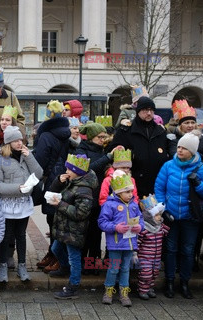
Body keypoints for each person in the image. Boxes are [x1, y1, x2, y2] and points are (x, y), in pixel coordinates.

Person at [155, 132, 203, 299]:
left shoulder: (202, 168)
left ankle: (185, 283)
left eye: (184, 148)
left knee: (188, 251)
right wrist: (163, 209)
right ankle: (170, 281)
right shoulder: (168, 166)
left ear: (193, 151)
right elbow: (159, 188)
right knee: (171, 249)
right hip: (171, 216)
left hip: (191, 217)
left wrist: (198, 183)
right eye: (179, 146)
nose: (179, 150)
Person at [0, 126, 43, 282]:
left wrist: (29, 157)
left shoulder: (26, 156)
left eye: (21, 140)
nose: (20, 143)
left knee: (21, 236)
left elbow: (38, 174)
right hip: (7, 204)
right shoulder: (0, 160)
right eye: (16, 140)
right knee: (6, 237)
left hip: (23, 204)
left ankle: (22, 266)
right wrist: (17, 188)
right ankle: (3, 266)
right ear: (9, 142)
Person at [46, 154, 98, 299]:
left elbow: (81, 213)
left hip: (75, 230)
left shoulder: (84, 189)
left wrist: (60, 204)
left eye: (69, 169)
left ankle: (73, 286)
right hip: (64, 227)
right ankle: (64, 267)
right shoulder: (72, 181)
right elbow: (53, 190)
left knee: (74, 257)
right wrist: (58, 181)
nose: (66, 171)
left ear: (78, 171)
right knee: (56, 248)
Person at [76, 123, 123, 273]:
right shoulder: (81, 150)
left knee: (96, 235)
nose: (102, 140)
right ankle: (82, 264)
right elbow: (87, 169)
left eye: (104, 137)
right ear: (91, 137)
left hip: (99, 199)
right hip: (86, 198)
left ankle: (93, 264)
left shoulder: (102, 150)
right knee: (85, 234)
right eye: (99, 137)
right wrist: (108, 157)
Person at [33, 101, 70, 272]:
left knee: (52, 219)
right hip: (66, 178)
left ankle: (56, 257)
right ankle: (52, 253)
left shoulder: (45, 135)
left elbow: (40, 162)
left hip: (52, 181)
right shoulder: (67, 134)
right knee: (61, 219)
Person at [98, 170, 144, 307]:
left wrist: (140, 227)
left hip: (130, 244)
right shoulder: (109, 204)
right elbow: (102, 222)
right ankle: (108, 292)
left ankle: (124, 293)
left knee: (125, 269)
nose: (131, 194)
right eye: (127, 192)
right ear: (118, 192)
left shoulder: (134, 205)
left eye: (131, 191)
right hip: (116, 244)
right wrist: (115, 227)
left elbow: (141, 220)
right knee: (113, 268)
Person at [109, 96, 170, 198]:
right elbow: (113, 151)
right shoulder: (126, 131)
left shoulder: (160, 131)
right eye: (145, 110)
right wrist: (132, 155)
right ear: (138, 111)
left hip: (157, 184)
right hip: (133, 185)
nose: (149, 113)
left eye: (151, 110)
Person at [135, 195, 169, 300]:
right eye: (157, 215)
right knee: (146, 273)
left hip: (156, 257)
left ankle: (149, 288)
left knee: (154, 273)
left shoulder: (160, 227)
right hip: (145, 257)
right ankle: (142, 290)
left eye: (160, 215)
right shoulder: (144, 229)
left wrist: (167, 222)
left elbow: (166, 232)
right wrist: (135, 253)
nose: (159, 217)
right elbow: (138, 241)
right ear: (149, 216)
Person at [166, 101, 203, 168]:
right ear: (180, 125)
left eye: (193, 122)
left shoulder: (202, 138)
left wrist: (199, 168)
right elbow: (176, 156)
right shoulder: (174, 139)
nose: (190, 125)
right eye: (187, 123)